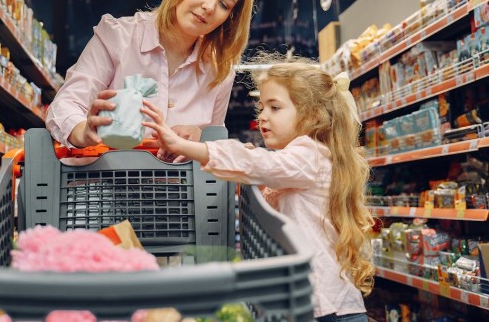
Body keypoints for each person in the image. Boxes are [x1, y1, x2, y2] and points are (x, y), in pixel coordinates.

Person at [141, 53, 375, 321]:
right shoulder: (300, 158)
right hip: (320, 302)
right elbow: (266, 167)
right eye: (261, 107)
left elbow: (257, 164)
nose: (263, 116)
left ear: (312, 116)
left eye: (275, 108)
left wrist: (185, 146)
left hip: (327, 307)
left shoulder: (309, 152)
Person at [46, 0, 258, 161]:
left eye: (224, 4)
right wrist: (84, 131)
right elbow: (65, 105)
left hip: (181, 192)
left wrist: (201, 139)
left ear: (230, 18)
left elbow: (214, 146)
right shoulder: (118, 37)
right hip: (106, 187)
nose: (209, 6)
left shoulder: (219, 70)